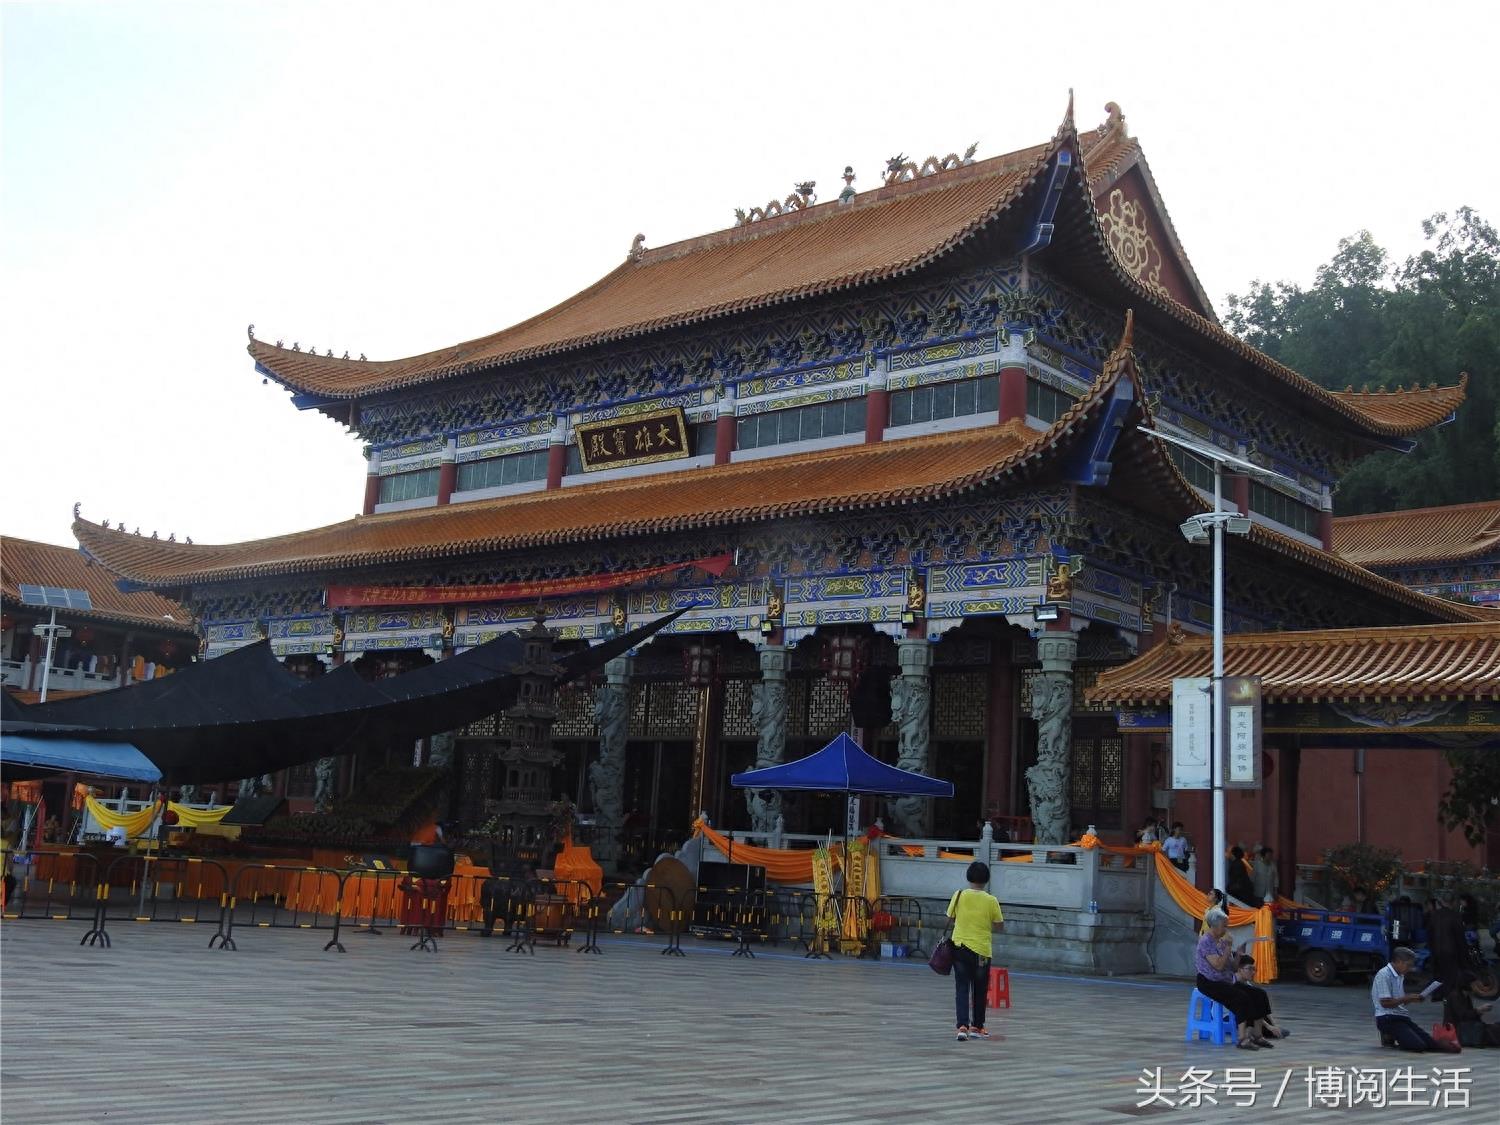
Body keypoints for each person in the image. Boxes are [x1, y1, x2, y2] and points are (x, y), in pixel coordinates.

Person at [946, 860, 1003, 1041]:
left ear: (968, 876)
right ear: (986, 879)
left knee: (962, 987)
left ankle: (962, 1026)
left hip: (959, 947)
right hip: (981, 951)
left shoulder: (959, 895)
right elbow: (999, 926)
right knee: (980, 989)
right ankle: (977, 1027)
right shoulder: (991, 900)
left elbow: (950, 917)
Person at [1195, 908, 1268, 1049]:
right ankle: (1242, 1038)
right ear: (1214, 926)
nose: (1226, 929)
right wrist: (1229, 946)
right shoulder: (1206, 942)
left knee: (1259, 994)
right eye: (1224, 926)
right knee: (1240, 997)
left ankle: (1258, 1035)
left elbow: (1233, 968)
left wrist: (1239, 955)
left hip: (1225, 980)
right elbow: (1218, 966)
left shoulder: (1221, 942)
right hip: (1209, 981)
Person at [1373, 946, 1456, 1051]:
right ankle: (1392, 1036)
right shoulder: (1384, 975)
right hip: (1387, 1018)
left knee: (1432, 1045)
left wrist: (1411, 999)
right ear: (1399, 961)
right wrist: (1407, 998)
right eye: (1408, 965)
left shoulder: (1400, 976)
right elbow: (1385, 1003)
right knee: (1418, 1046)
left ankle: (1398, 1036)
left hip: (1401, 1016)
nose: (1409, 969)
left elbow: (1398, 1001)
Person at [1233, 954, 1290, 1041]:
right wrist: (1269, 1026)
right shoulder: (1232, 983)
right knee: (1258, 1021)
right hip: (1231, 1015)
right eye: (1249, 969)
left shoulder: (1248, 985)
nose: (1253, 972)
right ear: (1240, 969)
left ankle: (1268, 1030)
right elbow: (1248, 1010)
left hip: (1247, 1013)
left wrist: (1274, 1025)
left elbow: (1262, 1009)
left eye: (1254, 969)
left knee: (1261, 1009)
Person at [1426, 891, 1469, 1001]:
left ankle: (1437, 994)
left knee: (1437, 973)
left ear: (1442, 901)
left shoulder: (1434, 915)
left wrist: (1431, 947)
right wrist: (1464, 956)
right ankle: (1448, 996)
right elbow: (1460, 937)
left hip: (1436, 949)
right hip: (1451, 950)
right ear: (1453, 902)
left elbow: (1430, 933)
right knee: (1450, 974)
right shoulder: (1455, 916)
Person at [1443, 980, 1500, 1047]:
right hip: (1457, 1029)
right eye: (1474, 984)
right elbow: (1462, 1016)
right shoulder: (1455, 996)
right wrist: (1478, 1010)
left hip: (1466, 1026)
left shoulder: (1466, 996)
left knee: (1496, 1026)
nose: (1478, 986)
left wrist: (1480, 1012)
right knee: (1492, 1031)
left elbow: (1470, 1015)